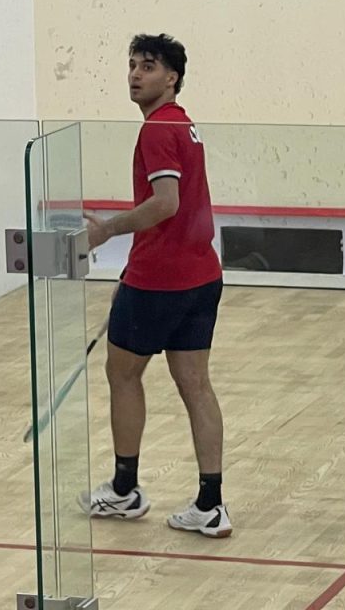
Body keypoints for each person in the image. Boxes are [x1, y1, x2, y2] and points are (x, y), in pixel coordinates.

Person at [82, 33, 231, 538]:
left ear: (172, 78)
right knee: (196, 385)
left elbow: (166, 203)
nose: (135, 74)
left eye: (148, 66)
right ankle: (210, 504)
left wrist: (107, 230)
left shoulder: (157, 130)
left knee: (122, 373)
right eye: (132, 65)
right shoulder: (184, 125)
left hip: (160, 281)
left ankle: (125, 490)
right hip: (201, 275)